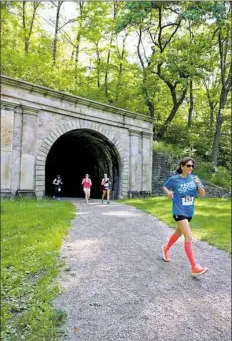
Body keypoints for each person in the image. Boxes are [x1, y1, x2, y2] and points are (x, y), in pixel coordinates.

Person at [162, 156, 208, 277]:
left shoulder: (195, 178)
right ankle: (194, 267)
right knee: (188, 236)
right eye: (188, 165)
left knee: (178, 233)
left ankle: (166, 248)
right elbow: (165, 186)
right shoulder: (175, 179)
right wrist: (168, 192)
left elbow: (203, 194)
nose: (190, 168)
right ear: (182, 166)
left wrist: (198, 184)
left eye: (192, 166)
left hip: (189, 212)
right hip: (178, 210)